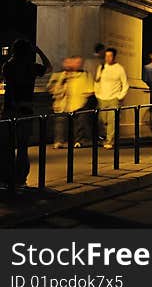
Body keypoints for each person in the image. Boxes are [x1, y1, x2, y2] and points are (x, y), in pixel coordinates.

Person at [1, 39, 52, 187]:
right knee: (23, 146)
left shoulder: (8, 66)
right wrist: (39, 52)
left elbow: (6, 77)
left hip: (10, 109)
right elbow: (48, 67)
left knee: (8, 146)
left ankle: (7, 177)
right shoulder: (31, 67)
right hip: (25, 110)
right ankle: (21, 178)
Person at [47, 56, 94, 148]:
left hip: (79, 104)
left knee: (80, 124)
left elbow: (90, 89)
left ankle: (79, 140)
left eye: (79, 63)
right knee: (60, 123)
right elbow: (51, 88)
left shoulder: (84, 75)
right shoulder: (58, 75)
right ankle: (59, 141)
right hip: (61, 104)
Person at [94, 47, 129, 149]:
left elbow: (125, 84)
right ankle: (103, 138)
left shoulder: (119, 68)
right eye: (106, 56)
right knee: (102, 121)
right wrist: (97, 93)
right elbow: (97, 81)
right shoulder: (101, 67)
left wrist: (120, 96)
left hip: (114, 98)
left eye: (110, 56)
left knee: (112, 121)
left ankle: (110, 141)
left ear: (114, 57)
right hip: (102, 98)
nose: (108, 58)